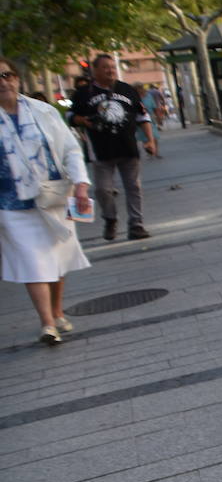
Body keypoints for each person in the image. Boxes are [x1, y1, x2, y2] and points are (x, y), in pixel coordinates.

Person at [0, 56, 93, 345]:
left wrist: (80, 184)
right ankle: (47, 323)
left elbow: (70, 150)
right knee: (33, 261)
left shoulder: (43, 111)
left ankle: (57, 310)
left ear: (16, 78)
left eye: (6, 75)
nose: (3, 82)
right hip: (11, 204)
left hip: (54, 195)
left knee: (57, 257)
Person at [69, 53, 153, 241]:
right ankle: (110, 219)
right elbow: (69, 117)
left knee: (134, 187)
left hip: (128, 148)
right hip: (101, 151)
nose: (110, 70)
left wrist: (150, 140)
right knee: (103, 190)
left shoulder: (127, 89)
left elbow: (142, 116)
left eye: (113, 67)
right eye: (105, 67)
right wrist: (82, 119)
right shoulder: (84, 93)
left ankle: (136, 225)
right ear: (95, 70)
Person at [136, 84, 161, 158]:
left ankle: (156, 152)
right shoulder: (134, 97)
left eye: (140, 87)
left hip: (150, 119)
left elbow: (155, 107)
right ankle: (149, 151)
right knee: (144, 138)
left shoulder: (148, 96)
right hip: (140, 120)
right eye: (137, 88)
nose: (139, 89)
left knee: (155, 136)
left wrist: (158, 117)